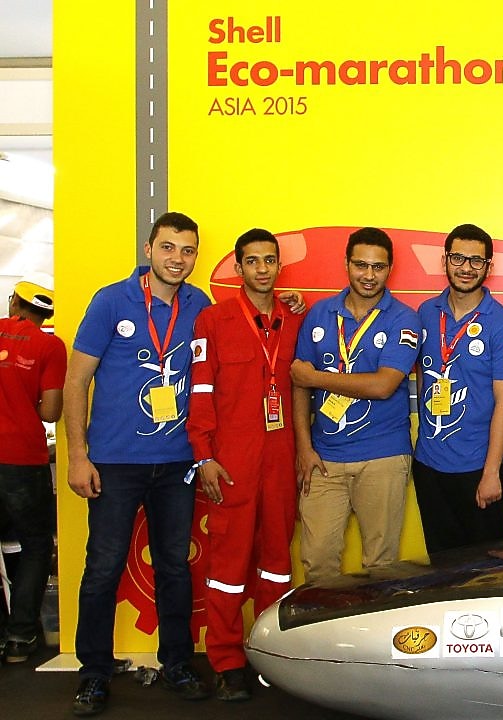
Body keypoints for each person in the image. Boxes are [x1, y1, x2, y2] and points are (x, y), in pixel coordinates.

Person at [65, 212, 213, 715]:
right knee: (103, 570)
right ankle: (94, 672)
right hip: (114, 463)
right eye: (169, 248)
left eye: (188, 251)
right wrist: (78, 455)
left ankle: (176, 662)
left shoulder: (200, 305)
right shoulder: (111, 300)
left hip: (177, 463)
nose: (178, 259)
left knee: (175, 566)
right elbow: (76, 382)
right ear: (148, 249)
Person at [186, 228, 301, 701]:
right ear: (239, 266)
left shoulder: (295, 318)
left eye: (269, 260)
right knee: (226, 566)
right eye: (252, 261)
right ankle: (228, 660)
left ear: (278, 266)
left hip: (280, 456)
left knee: (277, 562)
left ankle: (271, 655)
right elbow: (200, 390)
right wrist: (204, 456)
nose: (261, 269)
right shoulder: (212, 321)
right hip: (230, 460)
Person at [291, 227, 418, 581]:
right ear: (346, 264)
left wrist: (316, 378)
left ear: (389, 269)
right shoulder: (319, 314)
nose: (368, 275)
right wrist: (304, 447)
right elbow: (297, 386)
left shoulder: (404, 318)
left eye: (378, 267)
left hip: (383, 458)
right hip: (324, 459)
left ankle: (372, 638)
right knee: (317, 563)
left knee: (381, 566)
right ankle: (321, 638)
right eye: (360, 265)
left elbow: (383, 385)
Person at [413, 224, 503, 553]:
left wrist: (492, 473)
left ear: (489, 267)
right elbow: (421, 377)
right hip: (429, 466)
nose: (466, 268)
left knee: (486, 571)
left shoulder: (502, 324)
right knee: (440, 566)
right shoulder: (425, 313)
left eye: (476, 261)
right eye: (458, 258)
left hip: (478, 468)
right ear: (445, 260)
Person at [0, 273, 64, 664]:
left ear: (13, 304)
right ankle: (21, 638)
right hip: (22, 459)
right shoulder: (49, 346)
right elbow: (51, 411)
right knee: (36, 544)